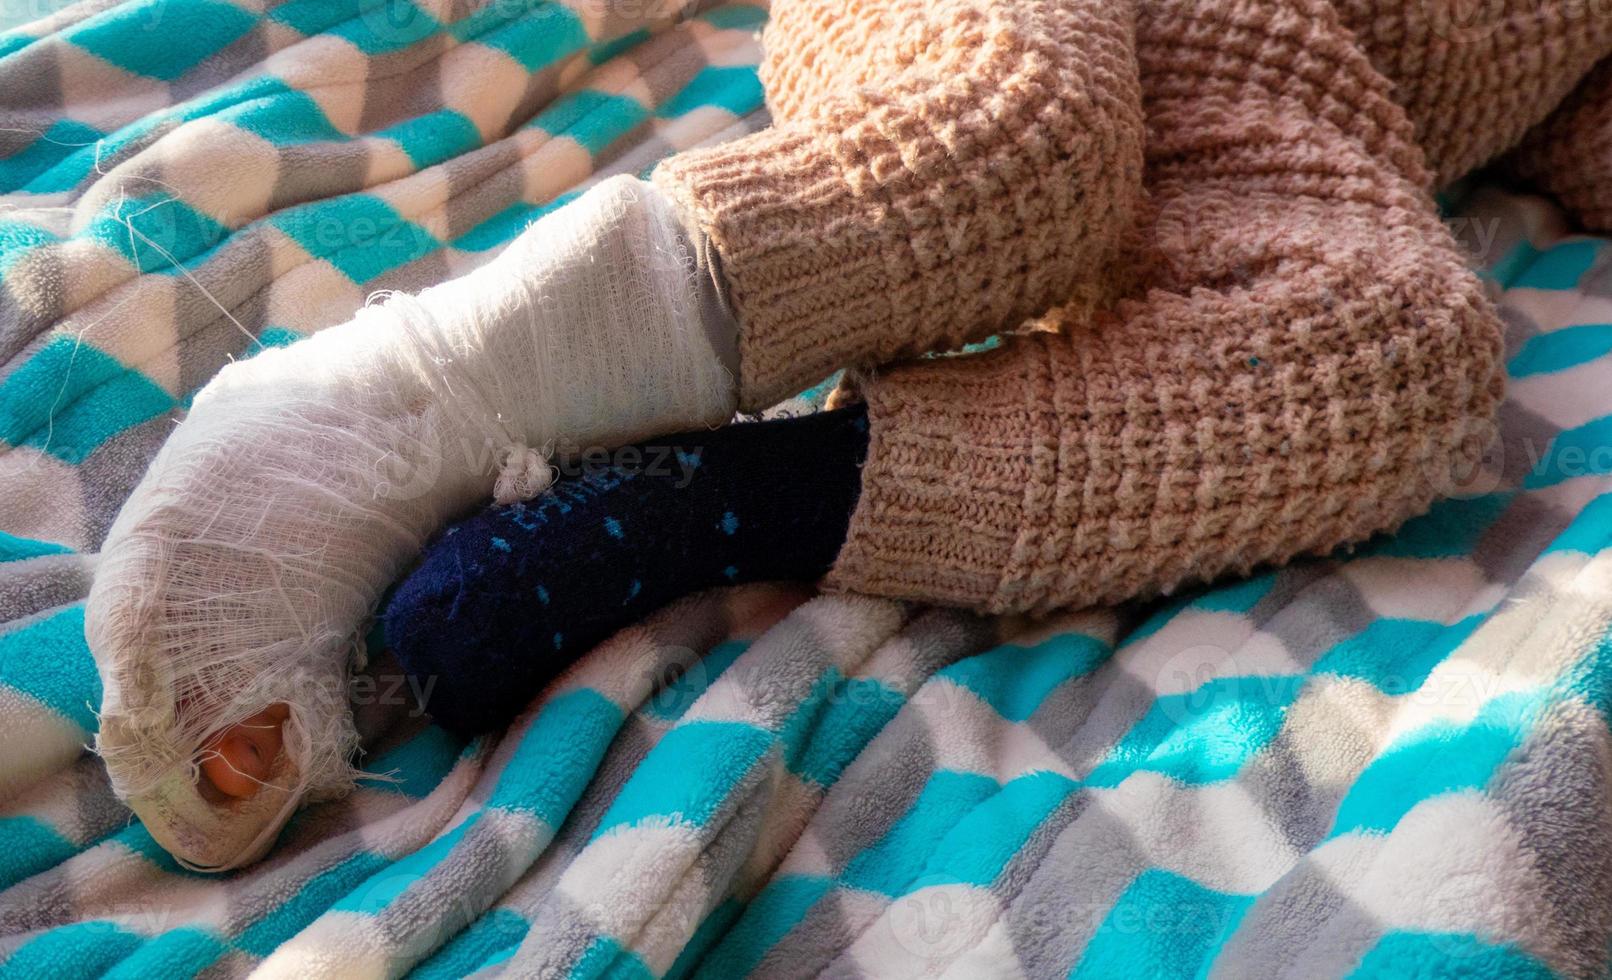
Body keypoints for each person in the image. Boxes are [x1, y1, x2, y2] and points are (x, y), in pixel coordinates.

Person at [86, 0, 1612, 869]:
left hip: (1295, 94)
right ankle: (424, 384)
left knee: (1405, 352)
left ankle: (710, 500)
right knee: (1017, 143)